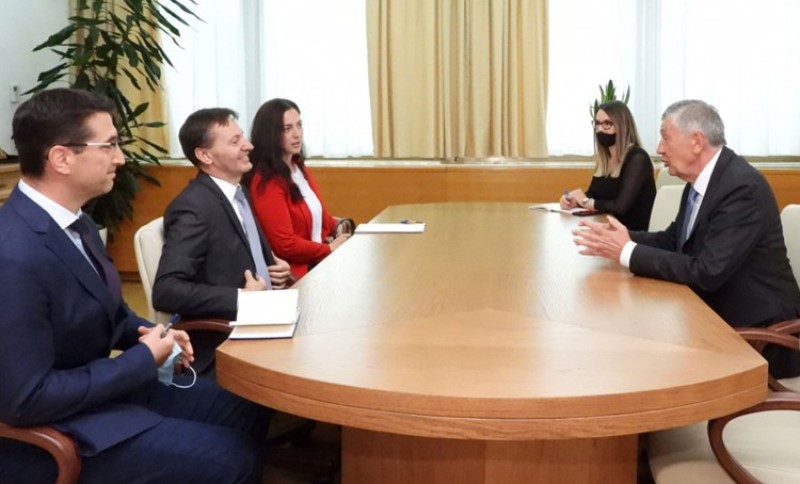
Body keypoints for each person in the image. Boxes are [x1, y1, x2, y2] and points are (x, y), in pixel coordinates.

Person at [0, 88, 268, 483]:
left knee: (246, 405)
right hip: (57, 433)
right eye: (109, 145)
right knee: (231, 459)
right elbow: (28, 398)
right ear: (61, 158)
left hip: (98, 396)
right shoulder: (13, 255)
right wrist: (142, 359)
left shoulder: (78, 222)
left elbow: (109, 312)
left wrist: (155, 334)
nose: (121, 158)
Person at [573, 99, 800, 377]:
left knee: (637, 363)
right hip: (711, 318)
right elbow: (674, 240)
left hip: (760, 339)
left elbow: (707, 272)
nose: (659, 148)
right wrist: (623, 238)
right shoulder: (700, 182)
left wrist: (627, 251)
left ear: (696, 142)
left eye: (665, 138)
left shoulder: (742, 188)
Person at [152, 108, 292, 323]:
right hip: (228, 330)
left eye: (242, 137)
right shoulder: (193, 208)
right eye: (235, 142)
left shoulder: (239, 192)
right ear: (205, 155)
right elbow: (166, 291)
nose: (249, 145)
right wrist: (241, 298)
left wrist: (272, 269)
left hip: (265, 312)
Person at [246, 98, 351, 279]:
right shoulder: (266, 181)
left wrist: (338, 226)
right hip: (298, 273)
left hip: (319, 261)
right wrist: (329, 249)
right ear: (270, 134)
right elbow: (285, 245)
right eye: (287, 129)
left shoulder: (298, 167)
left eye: (299, 125)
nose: (297, 134)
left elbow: (321, 217)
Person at [560, 100, 656, 230]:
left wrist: (586, 202)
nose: (599, 129)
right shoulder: (605, 159)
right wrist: (575, 201)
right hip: (606, 228)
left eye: (607, 124)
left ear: (623, 126)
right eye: (597, 123)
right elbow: (595, 194)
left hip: (630, 234)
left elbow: (620, 207)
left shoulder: (638, 158)